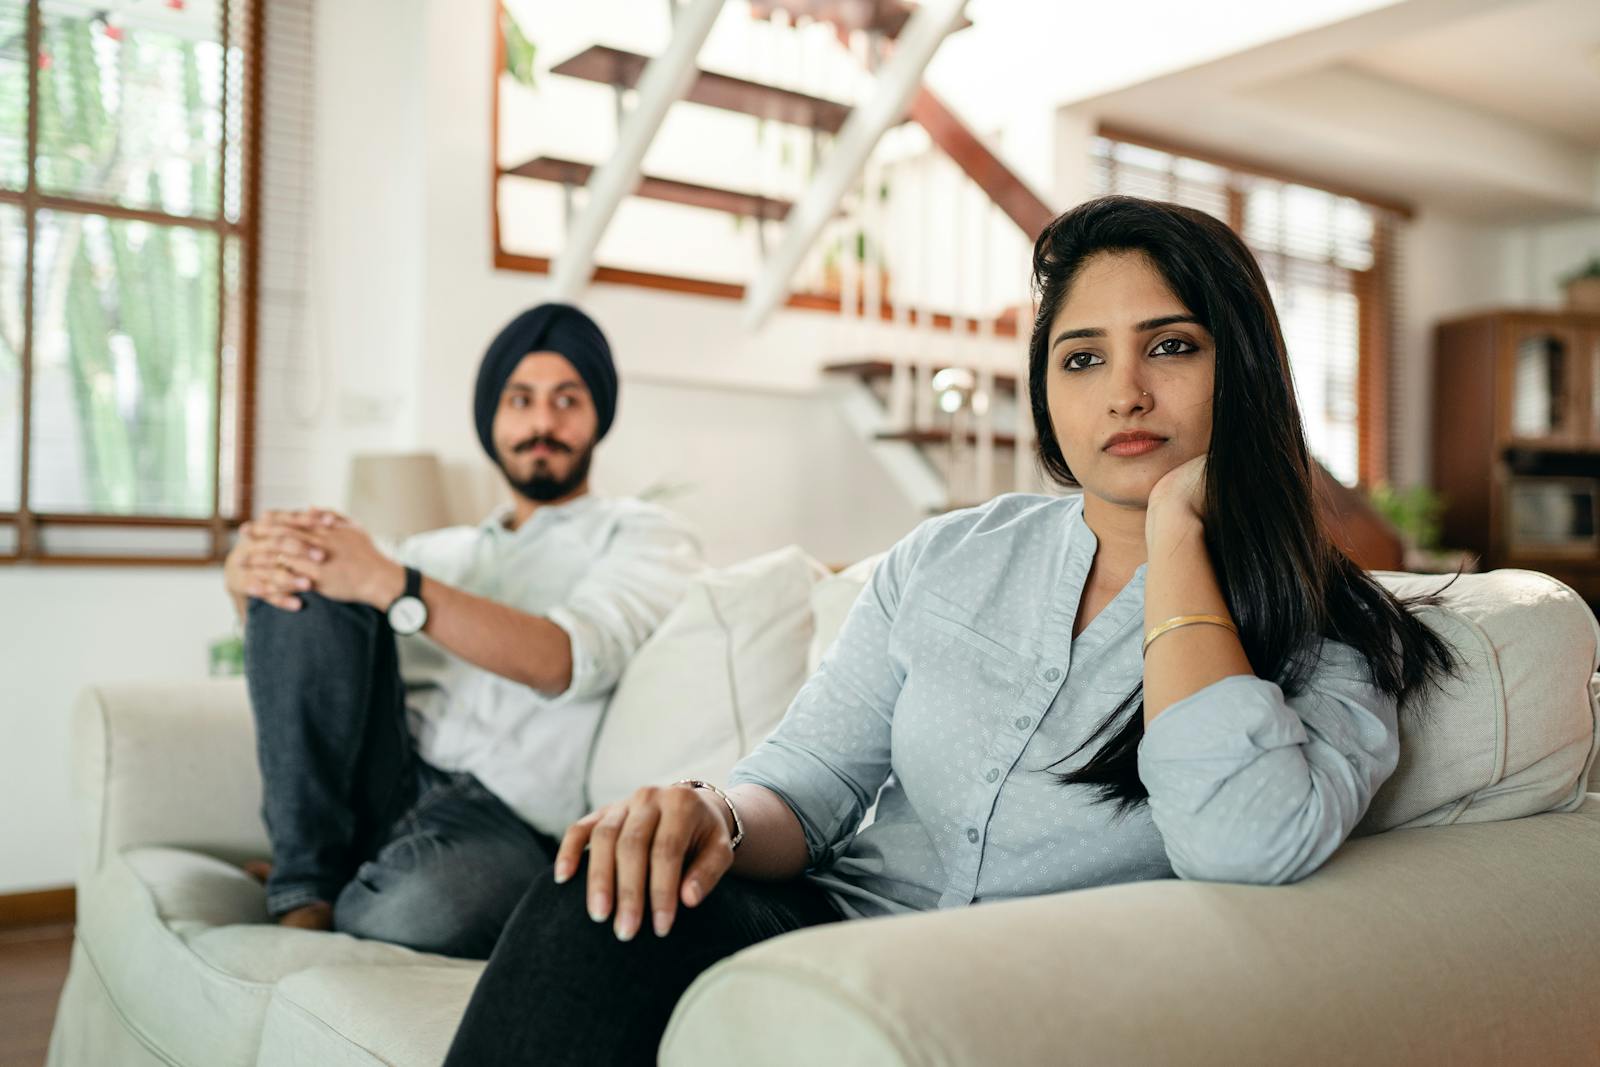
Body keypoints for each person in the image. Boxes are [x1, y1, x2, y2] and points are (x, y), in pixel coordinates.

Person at [442, 197, 1464, 1064]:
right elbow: (810, 781)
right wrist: (711, 812)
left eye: (1170, 345)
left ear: (1242, 367)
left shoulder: (1331, 633)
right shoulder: (950, 556)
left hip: (1022, 998)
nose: (1124, 393)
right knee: (599, 888)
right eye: (1081, 357)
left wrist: (1178, 531)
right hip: (830, 933)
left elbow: (1240, 840)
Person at [221, 302, 703, 959]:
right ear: (491, 418)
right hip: (388, 774)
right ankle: (307, 891)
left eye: (567, 400)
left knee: (418, 907)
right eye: (521, 400)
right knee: (314, 561)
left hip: (505, 820)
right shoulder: (436, 551)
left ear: (598, 417)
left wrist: (397, 587)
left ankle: (330, 882)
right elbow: (310, 654)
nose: (542, 423)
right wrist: (248, 575)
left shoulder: (643, 534)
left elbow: (568, 658)